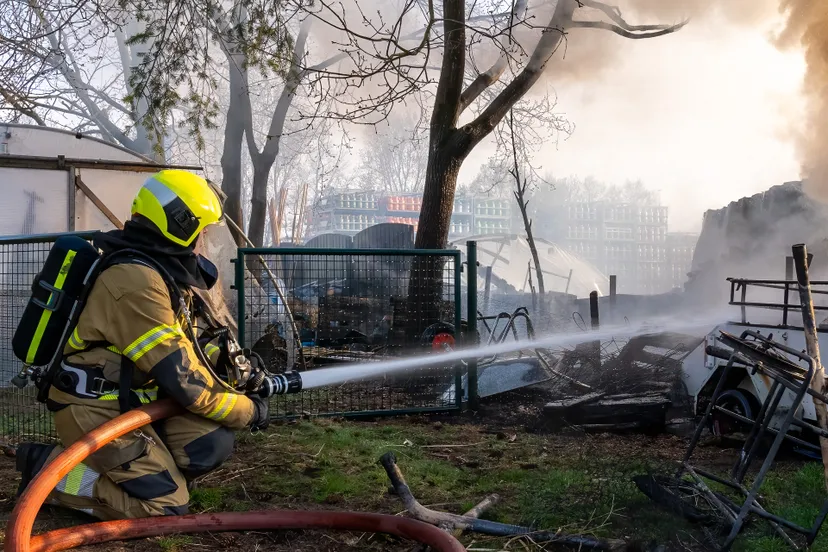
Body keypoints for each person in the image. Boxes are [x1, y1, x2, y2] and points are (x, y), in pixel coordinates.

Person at [14, 169, 269, 519]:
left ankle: (151, 472)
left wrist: (235, 367)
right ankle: (49, 473)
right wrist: (249, 411)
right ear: (181, 225)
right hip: (95, 407)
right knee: (164, 507)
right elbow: (185, 380)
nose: (203, 241)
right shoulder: (135, 281)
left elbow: (189, 343)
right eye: (202, 231)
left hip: (132, 399)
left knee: (207, 444)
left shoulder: (159, 270)